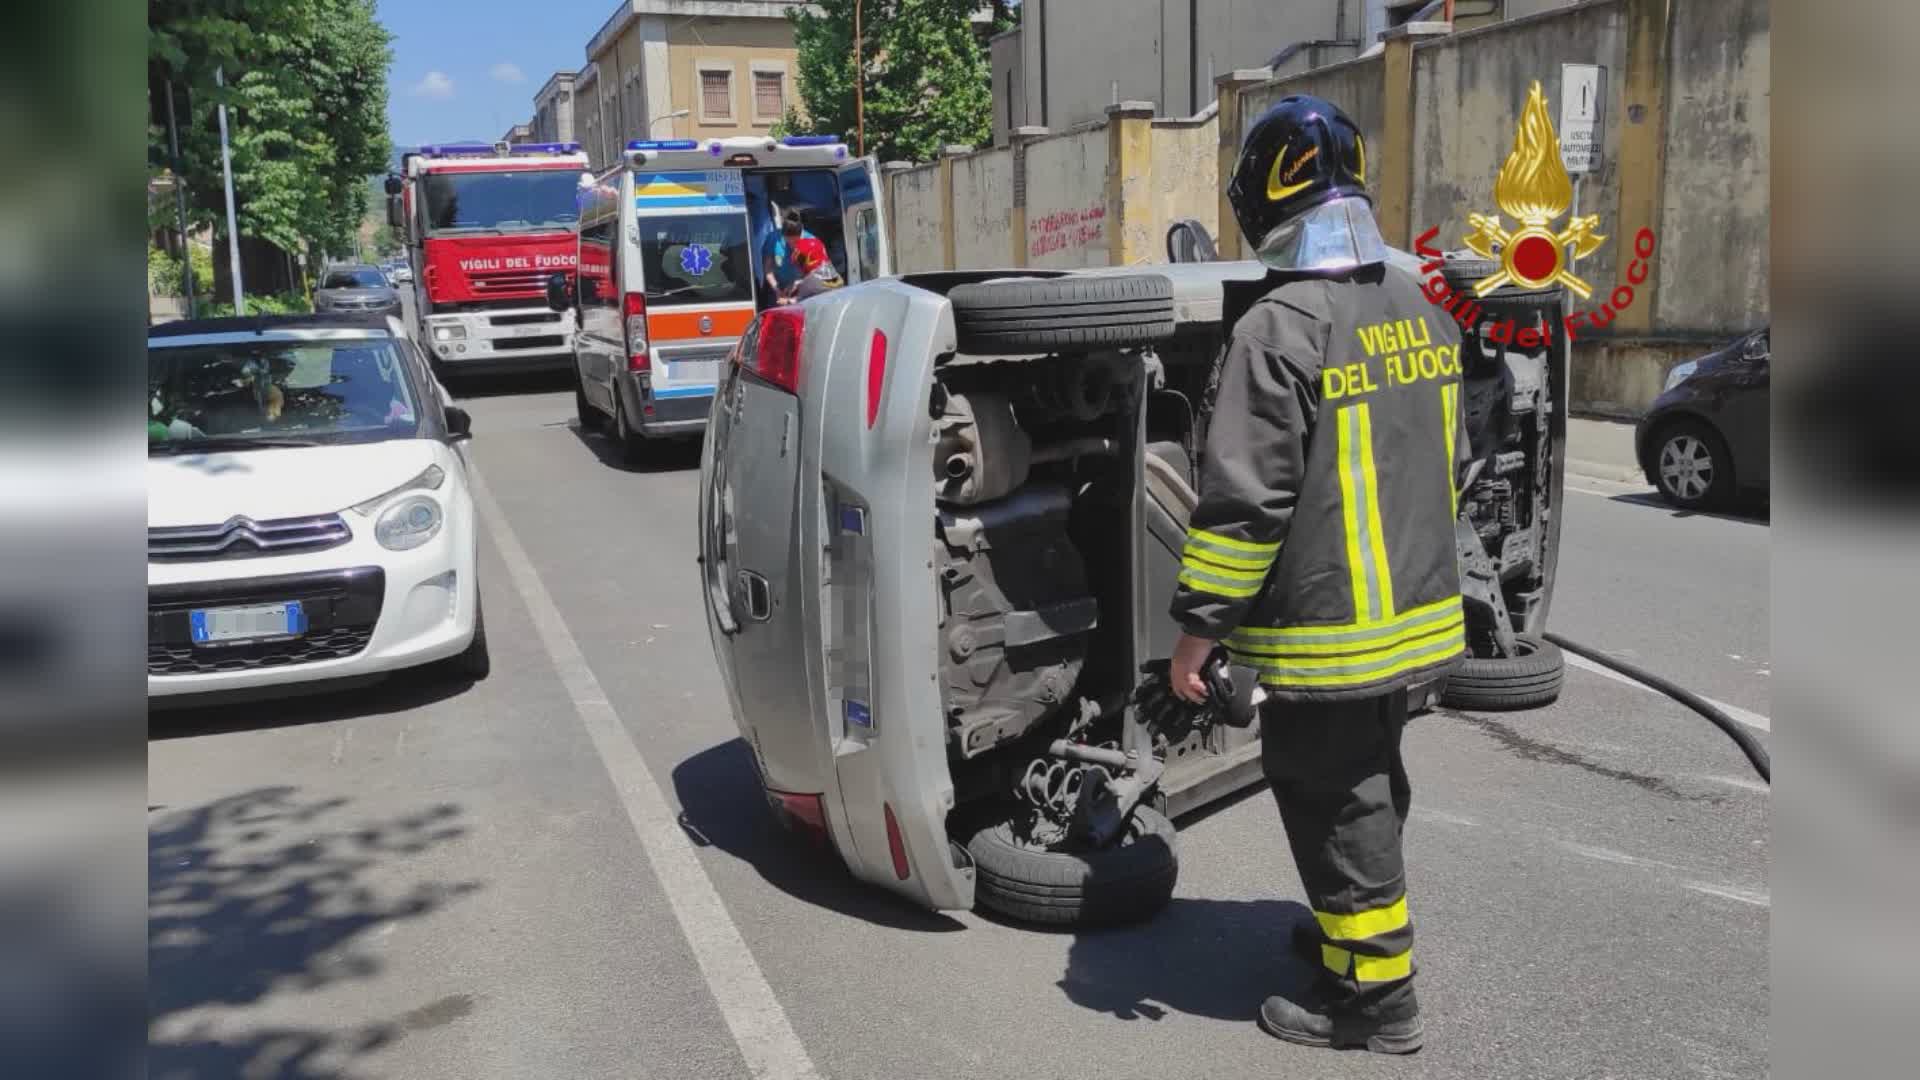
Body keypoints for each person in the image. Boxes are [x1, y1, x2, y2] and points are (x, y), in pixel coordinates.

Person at [1166, 94, 1470, 1055]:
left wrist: (1195, 637)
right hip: (1418, 619)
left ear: (1263, 198)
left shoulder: (1278, 329)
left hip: (1330, 630)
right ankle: (1353, 942)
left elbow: (1245, 510)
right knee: (1372, 781)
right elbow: (1445, 461)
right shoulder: (1419, 305)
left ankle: (1376, 1000)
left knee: (1333, 795)